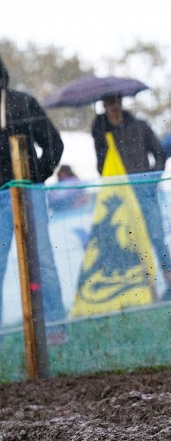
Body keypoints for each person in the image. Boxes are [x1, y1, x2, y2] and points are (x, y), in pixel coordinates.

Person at [0, 54, 67, 342]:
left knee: (42, 262)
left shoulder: (22, 103)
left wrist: (34, 179)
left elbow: (54, 143)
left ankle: (55, 327)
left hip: (29, 195)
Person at [91, 94, 171, 283]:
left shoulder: (140, 126)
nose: (113, 107)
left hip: (145, 192)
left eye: (116, 102)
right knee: (130, 242)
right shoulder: (101, 133)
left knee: (157, 236)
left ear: (121, 103)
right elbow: (101, 166)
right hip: (121, 196)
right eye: (109, 103)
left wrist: (151, 179)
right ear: (103, 106)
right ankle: (143, 286)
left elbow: (160, 154)